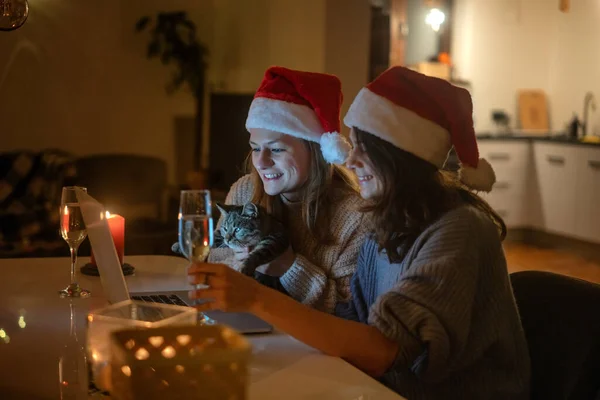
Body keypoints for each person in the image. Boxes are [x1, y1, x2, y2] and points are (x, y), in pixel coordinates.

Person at [190, 66, 530, 399]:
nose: (350, 161)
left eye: (365, 148)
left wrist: (255, 296)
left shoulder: (459, 228)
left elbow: (384, 350)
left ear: (401, 156)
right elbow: (348, 320)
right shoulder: (388, 222)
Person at [207, 66, 368, 313]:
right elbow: (214, 263)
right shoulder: (245, 191)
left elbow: (348, 311)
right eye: (256, 148)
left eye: (277, 149)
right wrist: (240, 261)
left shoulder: (355, 217)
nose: (260, 162)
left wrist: (288, 267)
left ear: (314, 150)